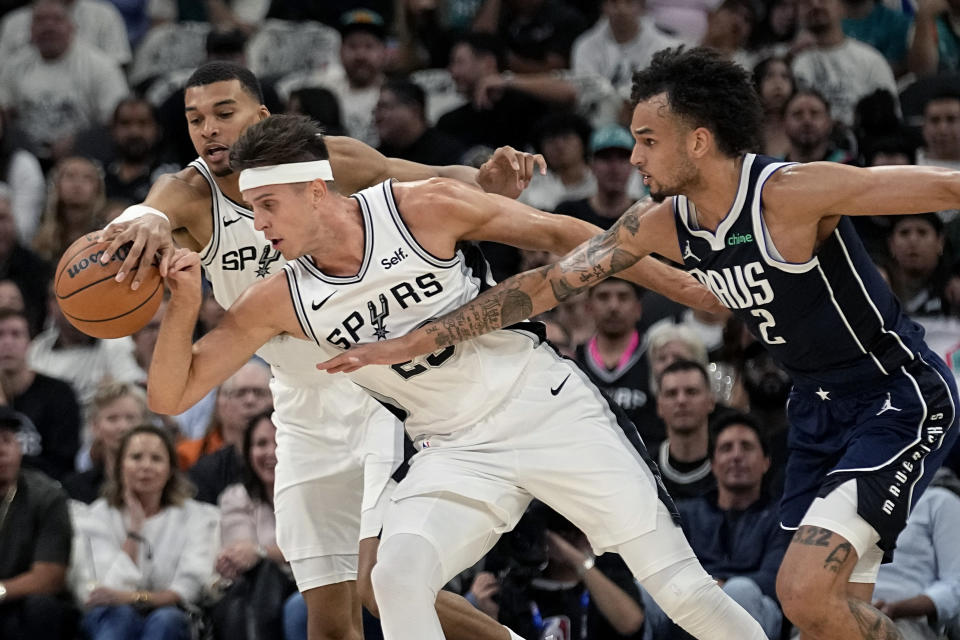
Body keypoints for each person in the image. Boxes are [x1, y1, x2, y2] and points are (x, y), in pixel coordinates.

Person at [327, 47, 960, 640]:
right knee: (828, 620)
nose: (634, 157)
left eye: (647, 140)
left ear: (699, 140)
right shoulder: (660, 223)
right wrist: (418, 339)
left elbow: (944, 187)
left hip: (895, 395)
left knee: (800, 595)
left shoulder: (789, 194)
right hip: (815, 411)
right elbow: (548, 284)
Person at [147, 113, 763, 640]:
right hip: (454, 448)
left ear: (313, 190)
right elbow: (171, 394)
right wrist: (182, 306)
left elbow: (567, 235)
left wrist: (683, 284)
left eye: (265, 205)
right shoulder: (276, 297)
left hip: (545, 409)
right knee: (394, 577)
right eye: (251, 209)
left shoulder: (420, 208)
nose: (257, 226)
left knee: (683, 592)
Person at [95, 58, 584, 640]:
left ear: (262, 116)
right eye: (195, 118)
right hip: (301, 407)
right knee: (326, 623)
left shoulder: (328, 163)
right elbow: (155, 205)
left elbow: (422, 176)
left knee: (377, 584)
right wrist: (142, 218)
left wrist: (484, 178)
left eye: (225, 113)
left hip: (379, 388)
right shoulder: (191, 194)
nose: (209, 130)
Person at [71, 424, 219, 640]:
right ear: (119, 465)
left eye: (156, 459)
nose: (146, 466)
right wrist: (134, 531)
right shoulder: (96, 516)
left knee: (164, 620)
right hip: (111, 616)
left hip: (173, 616)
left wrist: (134, 597)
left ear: (170, 470)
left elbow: (187, 590)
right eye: (136, 457)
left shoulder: (196, 516)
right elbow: (105, 593)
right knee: (118, 618)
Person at [651, 413, 790, 639]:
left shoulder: (782, 517)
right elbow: (666, 569)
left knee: (740, 591)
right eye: (726, 448)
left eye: (746, 447)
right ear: (713, 464)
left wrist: (718, 590)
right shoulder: (685, 513)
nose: (736, 456)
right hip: (690, 604)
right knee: (643, 594)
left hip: (753, 610)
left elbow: (775, 579)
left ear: (766, 462)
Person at [211, 411, 302, 640]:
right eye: (261, 444)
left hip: (311, 587)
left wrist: (261, 551)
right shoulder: (236, 497)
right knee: (260, 576)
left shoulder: (315, 494)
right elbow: (240, 552)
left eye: (280, 441)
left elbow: (316, 550)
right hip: (258, 590)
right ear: (248, 452)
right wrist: (266, 555)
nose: (271, 452)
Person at [0, 405, 77, 640]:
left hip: (21, 604)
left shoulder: (46, 496)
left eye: (7, 440)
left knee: (41, 606)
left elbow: (49, 577)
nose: (1, 451)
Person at [0, 307, 82, 482]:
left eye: (16, 334)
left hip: (43, 494)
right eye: (0, 334)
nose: (7, 342)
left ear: (30, 342)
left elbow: (63, 463)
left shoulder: (59, 394)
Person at [63, 381, 148, 503]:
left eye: (131, 418)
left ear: (145, 424)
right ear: (95, 426)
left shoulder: (166, 485)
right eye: (112, 419)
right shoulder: (75, 487)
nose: (123, 427)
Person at [655, 360, 717, 501]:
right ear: (659, 406)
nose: (681, 400)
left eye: (692, 392)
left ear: (711, 401)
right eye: (671, 393)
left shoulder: (731, 466)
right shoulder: (644, 469)